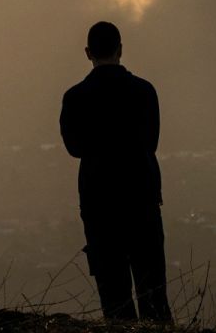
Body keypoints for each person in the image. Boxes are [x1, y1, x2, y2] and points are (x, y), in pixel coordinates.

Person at [60, 21, 172, 322]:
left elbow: (74, 147)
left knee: (114, 295)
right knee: (153, 292)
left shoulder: (75, 97)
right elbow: (151, 142)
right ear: (120, 49)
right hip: (142, 198)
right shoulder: (144, 91)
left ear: (88, 53)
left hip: (99, 203)